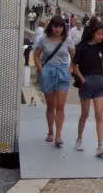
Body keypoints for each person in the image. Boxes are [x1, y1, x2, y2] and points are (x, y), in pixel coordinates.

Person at [32, 16, 75, 147]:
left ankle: (58, 135)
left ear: (64, 28)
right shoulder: (43, 39)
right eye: (56, 26)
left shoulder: (67, 39)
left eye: (60, 27)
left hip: (62, 72)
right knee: (50, 106)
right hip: (48, 71)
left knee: (60, 106)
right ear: (51, 26)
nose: (58, 29)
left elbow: (74, 56)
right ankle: (50, 131)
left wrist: (71, 68)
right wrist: (41, 69)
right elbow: (36, 55)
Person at [73, 20, 103, 156]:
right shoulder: (81, 47)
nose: (101, 37)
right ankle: (79, 138)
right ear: (92, 33)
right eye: (99, 34)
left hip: (99, 83)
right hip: (86, 82)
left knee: (99, 115)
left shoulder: (101, 47)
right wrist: (83, 80)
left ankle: (100, 145)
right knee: (85, 114)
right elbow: (75, 66)